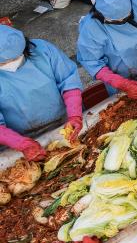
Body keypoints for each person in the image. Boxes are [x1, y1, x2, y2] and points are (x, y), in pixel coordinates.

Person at [0, 25, 83, 159]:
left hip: (65, 120)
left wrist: (75, 115)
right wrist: (22, 143)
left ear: (24, 47)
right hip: (21, 137)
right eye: (4, 63)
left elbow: (68, 79)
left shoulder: (43, 50)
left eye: (15, 58)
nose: (11, 64)